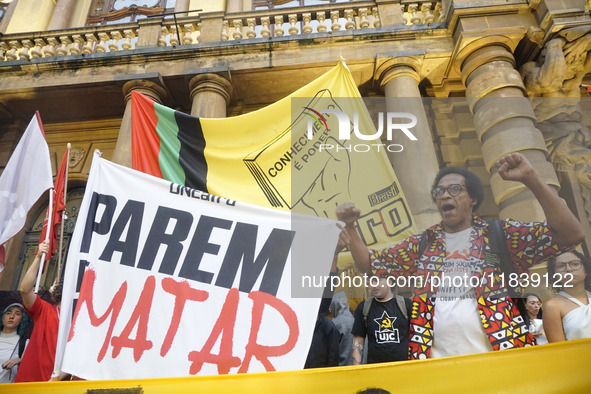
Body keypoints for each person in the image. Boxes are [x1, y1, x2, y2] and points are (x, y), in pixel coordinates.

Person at [337, 152, 584, 359]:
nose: (445, 195)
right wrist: (350, 226)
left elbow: (571, 234)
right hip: (437, 367)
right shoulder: (423, 243)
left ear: (472, 199)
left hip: (504, 359)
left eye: (454, 189)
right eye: (439, 191)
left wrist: (531, 179)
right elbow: (371, 265)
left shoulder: (500, 234)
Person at [14, 241, 61, 383]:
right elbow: (25, 289)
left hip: (57, 387)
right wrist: (38, 257)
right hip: (30, 383)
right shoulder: (45, 309)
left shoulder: (81, 319)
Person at [351, 277, 410, 364]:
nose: (374, 285)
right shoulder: (364, 307)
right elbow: (358, 340)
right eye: (372, 281)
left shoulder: (405, 304)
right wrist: (356, 368)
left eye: (378, 281)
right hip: (375, 369)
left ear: (389, 282)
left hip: (404, 368)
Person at [543, 250, 591, 342]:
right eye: (561, 266)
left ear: (586, 271)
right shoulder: (552, 306)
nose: (569, 269)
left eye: (575, 264)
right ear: (555, 275)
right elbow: (560, 350)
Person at [0, 303, 29, 383]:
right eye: (8, 313)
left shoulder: (24, 343)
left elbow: (29, 370)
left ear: (22, 320)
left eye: (17, 314)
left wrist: (20, 361)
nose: (11, 316)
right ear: (2, 317)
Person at [330, 291, 355, 366]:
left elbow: (331, 353)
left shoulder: (333, 324)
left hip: (340, 369)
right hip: (357, 367)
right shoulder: (356, 321)